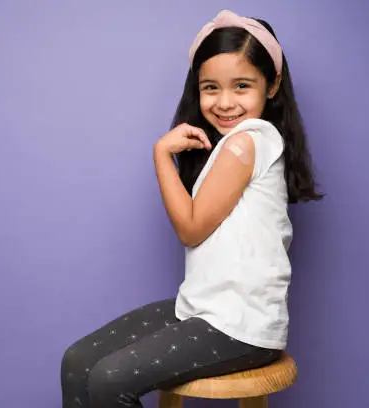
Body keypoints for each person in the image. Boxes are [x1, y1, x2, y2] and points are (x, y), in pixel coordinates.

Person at [60, 9, 323, 408]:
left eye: (242, 86)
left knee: (110, 380)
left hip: (241, 327)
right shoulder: (230, 147)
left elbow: (191, 227)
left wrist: (161, 155)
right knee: (78, 362)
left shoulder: (249, 140)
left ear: (272, 86)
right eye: (211, 87)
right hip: (203, 311)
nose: (225, 102)